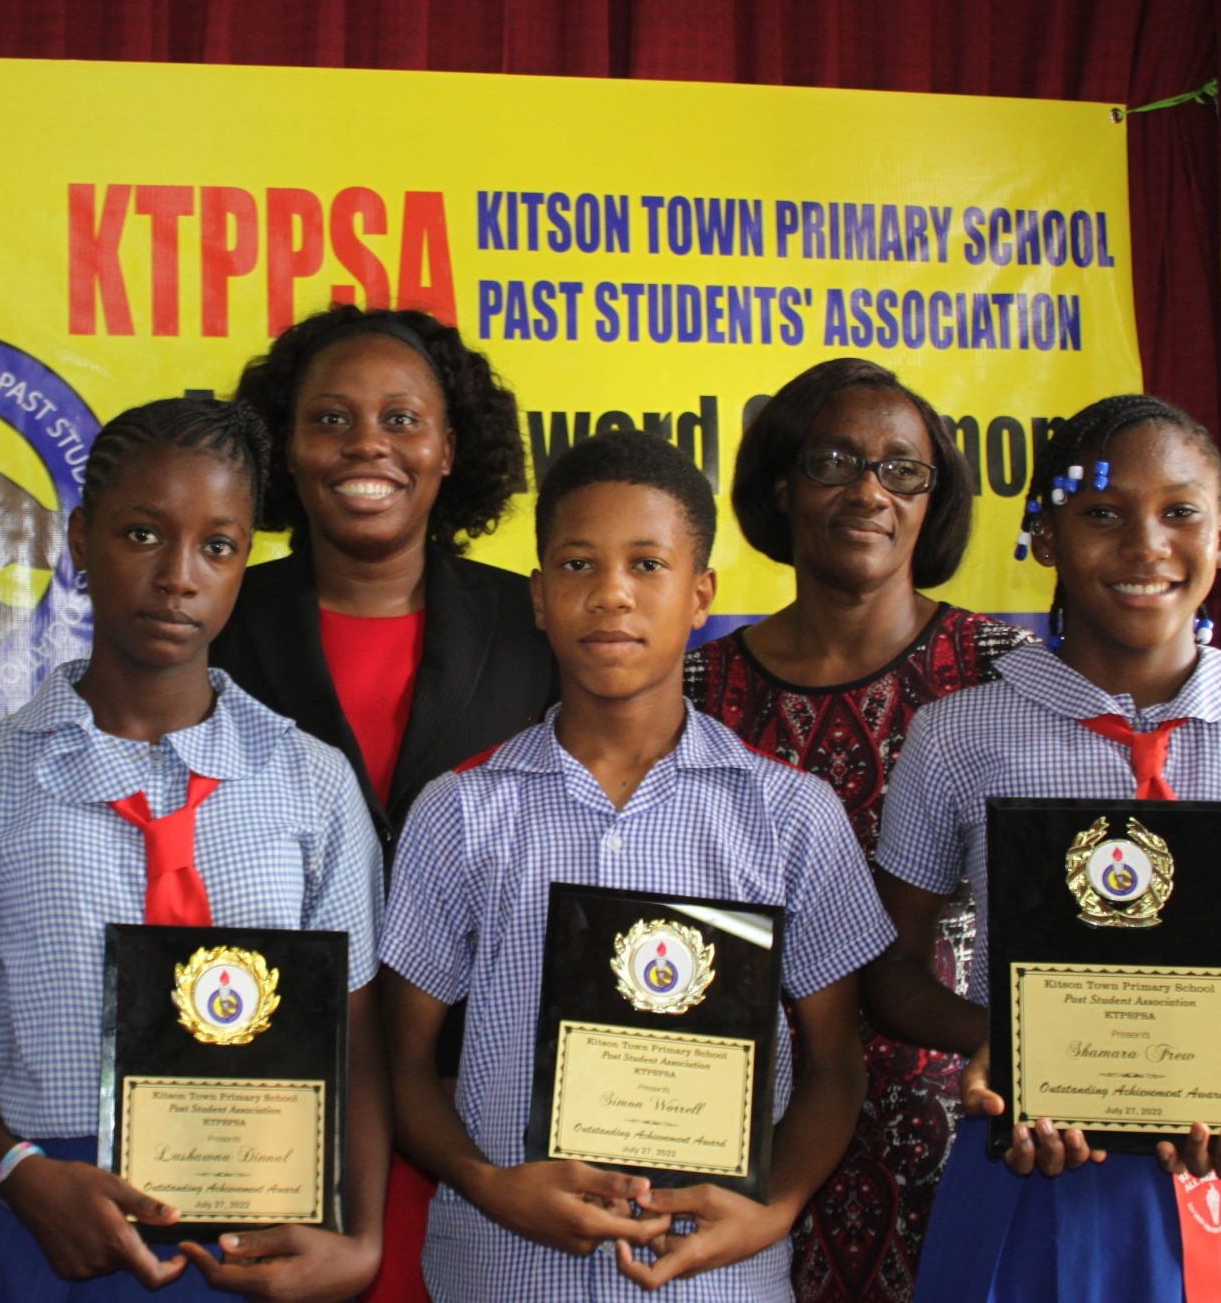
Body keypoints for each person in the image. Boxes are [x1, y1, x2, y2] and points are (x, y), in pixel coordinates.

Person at [865, 394, 1221, 1301]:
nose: (1145, 544)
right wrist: (1009, 1047)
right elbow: (891, 973)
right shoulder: (958, 738)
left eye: (1180, 512)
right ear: (1044, 536)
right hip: (1031, 1166)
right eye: (1102, 514)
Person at [381, 430, 893, 1301]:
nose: (611, 593)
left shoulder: (789, 815)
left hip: (716, 1279)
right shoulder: (462, 810)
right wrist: (485, 1180)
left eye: (647, 565)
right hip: (504, 1271)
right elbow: (399, 1060)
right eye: (578, 565)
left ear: (701, 596)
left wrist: (777, 1204)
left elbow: (838, 1064)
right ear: (539, 598)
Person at [0, 398, 387, 1301]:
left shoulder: (312, 783)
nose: (178, 577)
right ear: (81, 539)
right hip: (50, 1223)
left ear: (246, 561)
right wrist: (19, 1174)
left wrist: (362, 1238)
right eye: (141, 533)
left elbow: (355, 1035)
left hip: (262, 1219)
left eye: (218, 546)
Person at [212, 305, 553, 1302]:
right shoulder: (214, 622)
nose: (368, 443)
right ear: (283, 446)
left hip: (487, 1114)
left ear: (451, 447)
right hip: (279, 1121)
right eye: (331, 419)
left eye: (402, 419)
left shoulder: (533, 624)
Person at [685, 358, 1032, 1301]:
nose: (870, 490)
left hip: (979, 1132)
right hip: (741, 1139)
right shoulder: (694, 695)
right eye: (837, 459)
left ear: (933, 500)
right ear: (781, 484)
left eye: (902, 469)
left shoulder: (1008, 674)